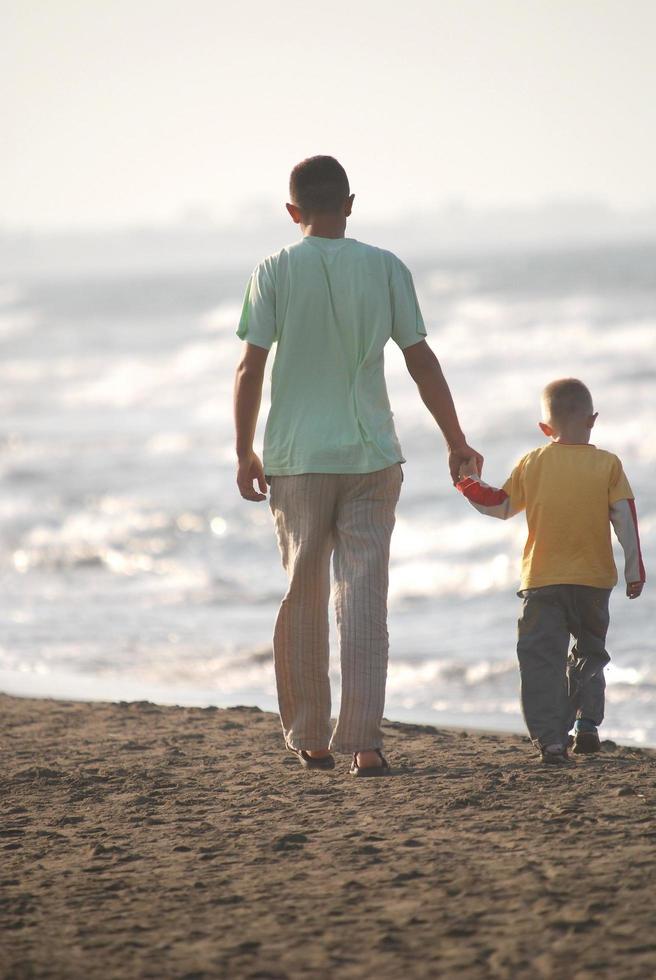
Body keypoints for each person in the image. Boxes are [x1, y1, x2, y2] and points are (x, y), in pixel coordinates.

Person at [234, 155, 482, 775]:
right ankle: (365, 745)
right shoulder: (386, 267)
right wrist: (455, 438)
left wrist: (244, 450)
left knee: (304, 597)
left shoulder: (273, 270)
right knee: (365, 597)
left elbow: (250, 366)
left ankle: (312, 738)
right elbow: (420, 359)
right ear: (350, 203)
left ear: (293, 212)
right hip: (373, 454)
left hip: (298, 459)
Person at [456, 378, 645, 764]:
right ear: (592, 420)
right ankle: (588, 724)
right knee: (589, 653)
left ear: (545, 429)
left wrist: (466, 481)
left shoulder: (534, 461)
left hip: (542, 581)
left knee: (542, 659)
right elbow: (626, 519)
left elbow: (500, 505)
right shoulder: (608, 464)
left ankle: (553, 742)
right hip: (593, 583)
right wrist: (634, 571)